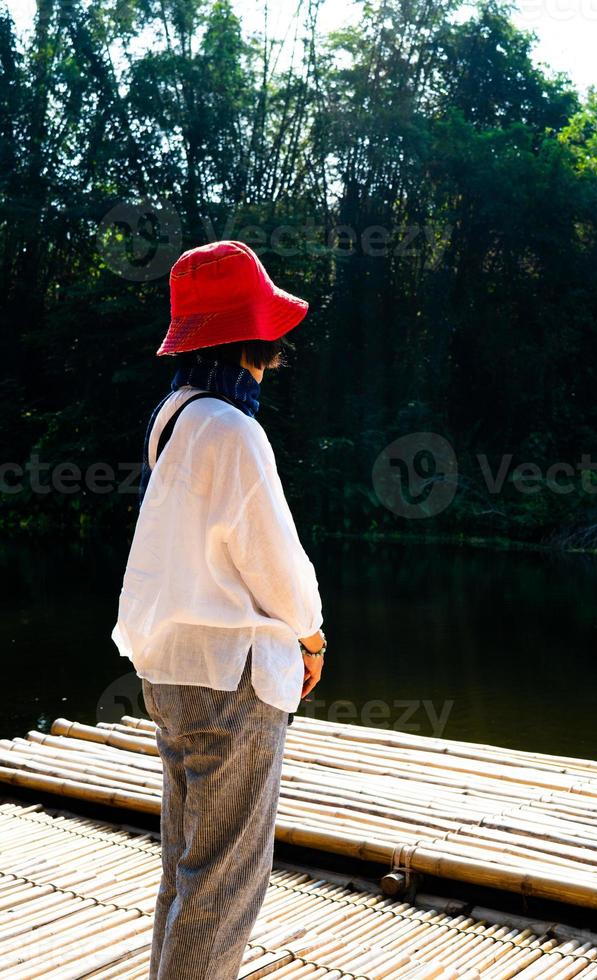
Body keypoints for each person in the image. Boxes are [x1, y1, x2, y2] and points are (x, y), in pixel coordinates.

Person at [111, 239, 326, 980]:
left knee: (186, 874)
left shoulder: (170, 415)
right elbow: (275, 565)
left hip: (171, 670)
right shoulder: (235, 430)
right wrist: (314, 638)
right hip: (233, 682)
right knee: (225, 886)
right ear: (254, 339)